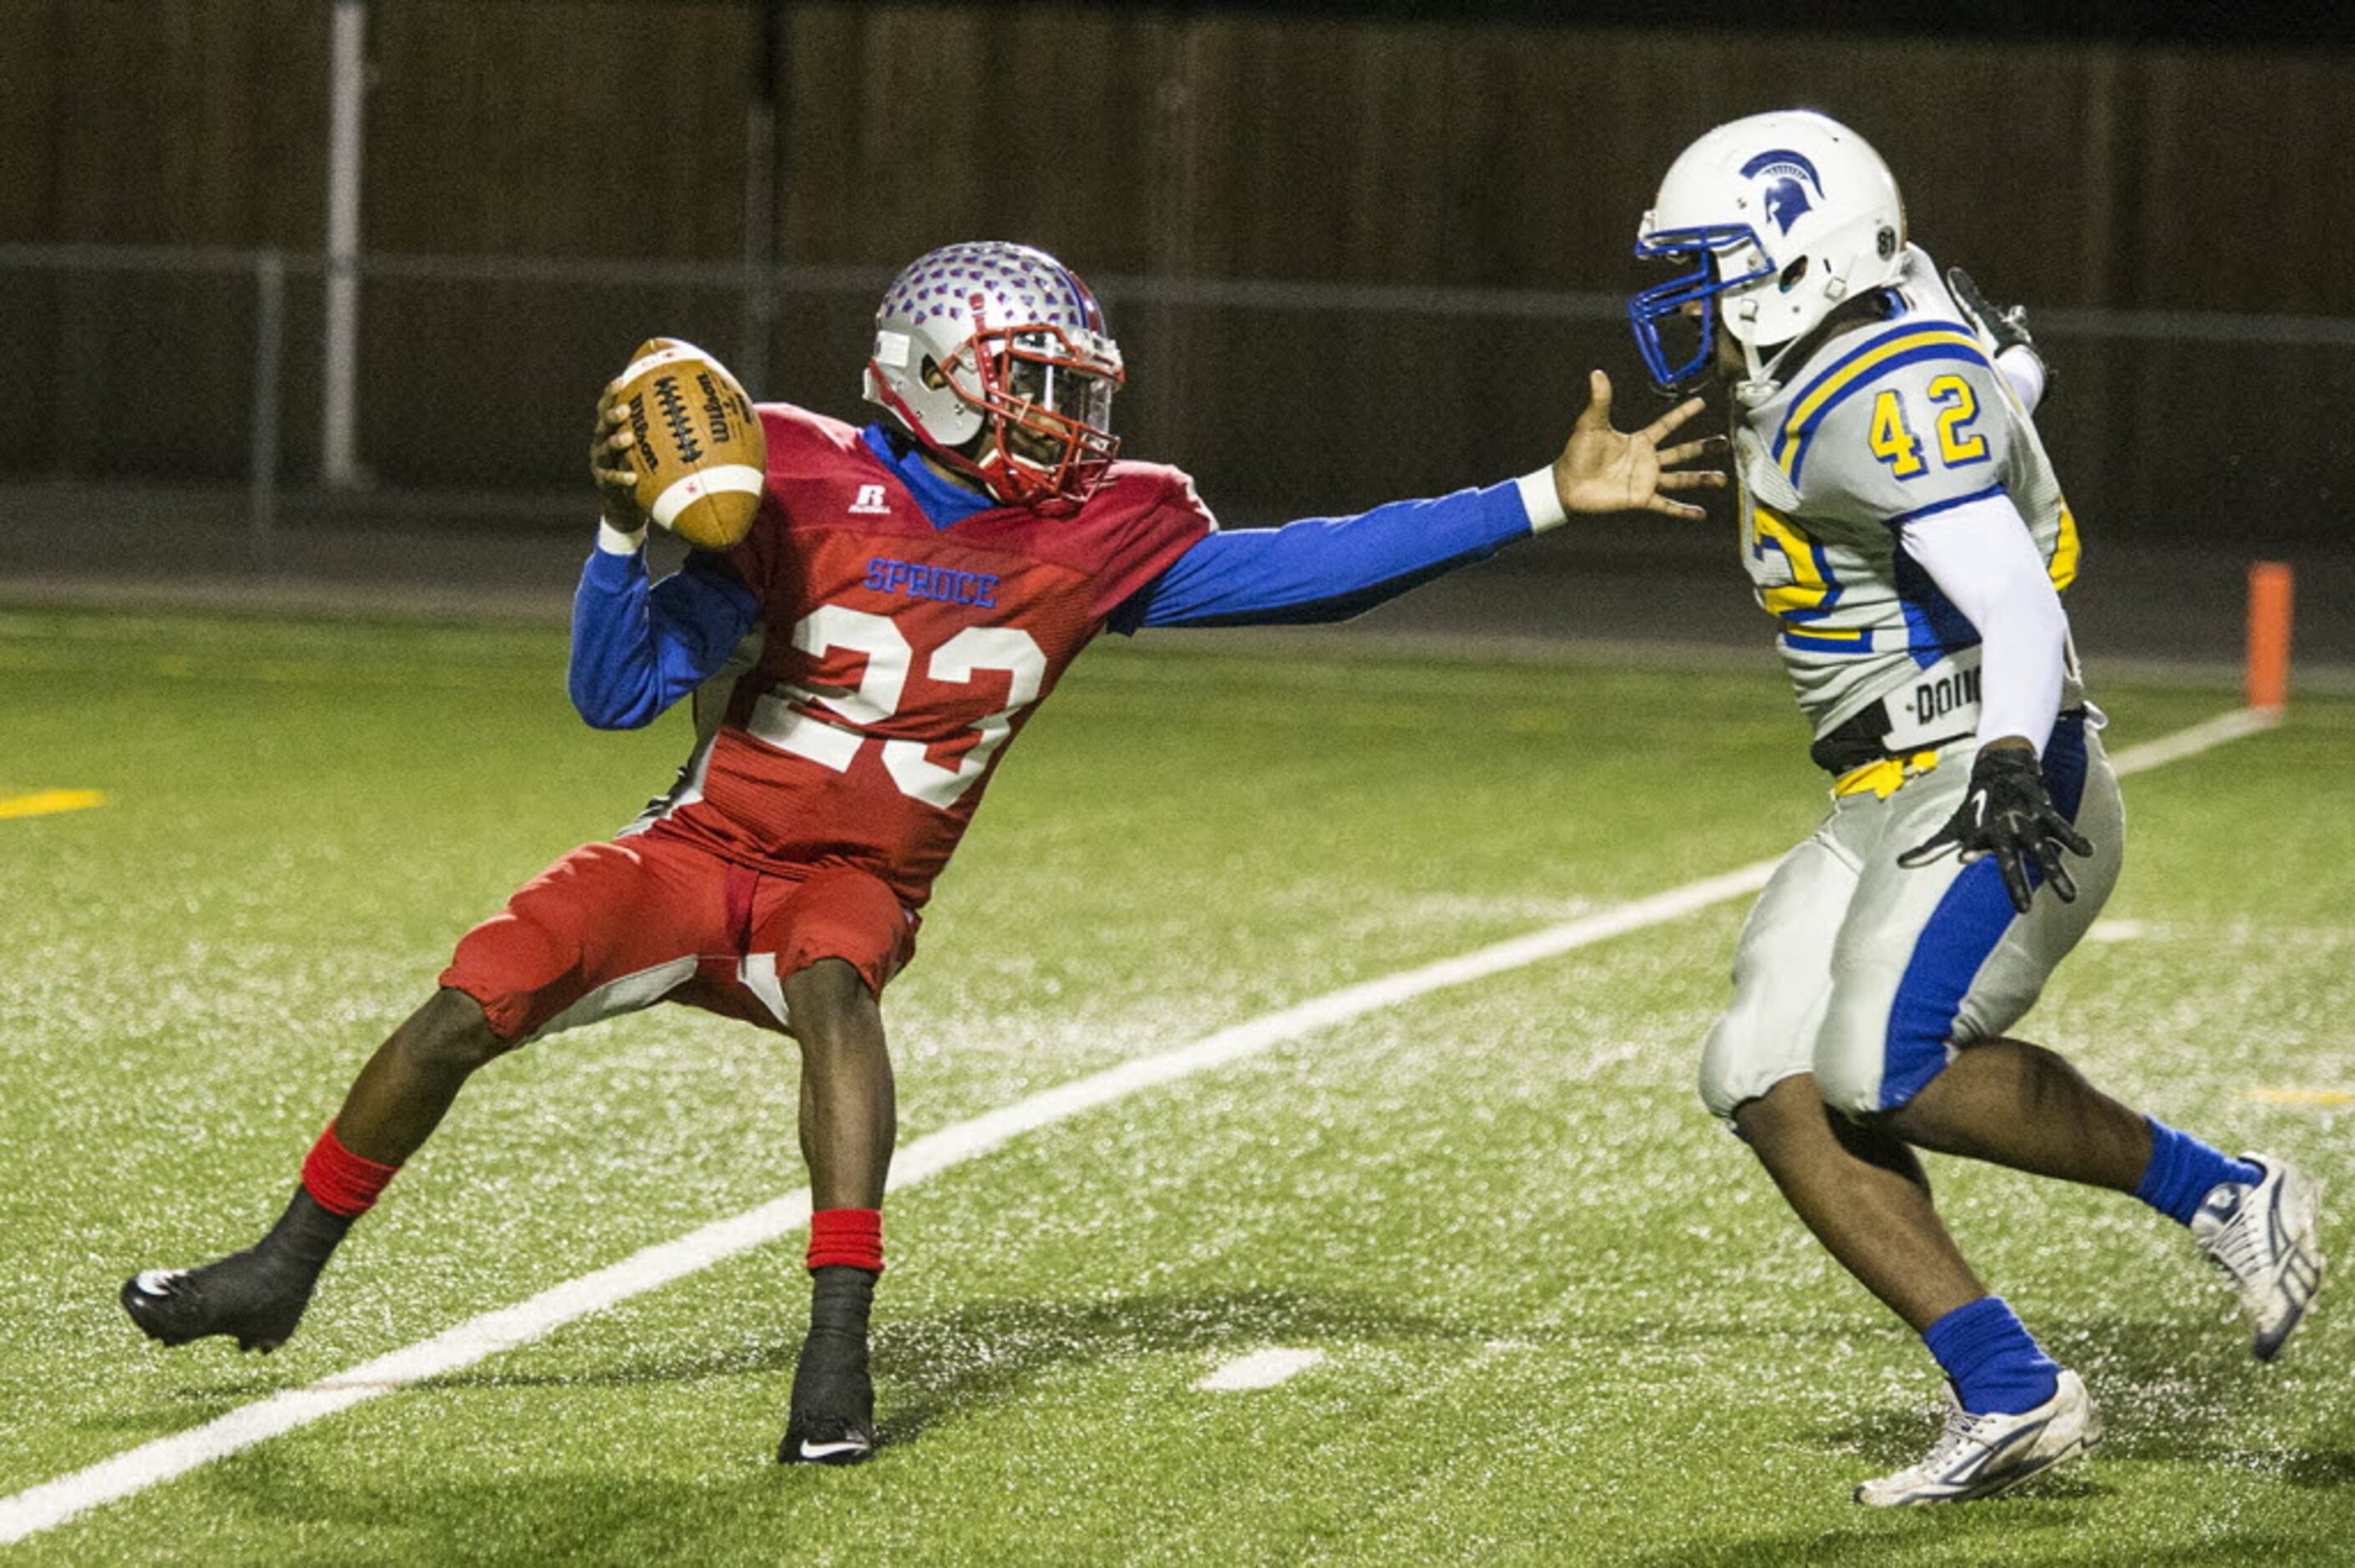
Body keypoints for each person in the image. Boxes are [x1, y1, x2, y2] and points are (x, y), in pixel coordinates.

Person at [123, 240, 1724, 1465]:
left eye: (1075, 387)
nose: (1068, 417)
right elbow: (616, 694)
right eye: (1035, 380)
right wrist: (627, 535)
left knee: (835, 980)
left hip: (856, 881)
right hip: (708, 836)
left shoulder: (1109, 528)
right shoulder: (792, 478)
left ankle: (836, 1350)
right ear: (934, 374)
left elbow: (1305, 573)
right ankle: (283, 1263)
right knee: (479, 988)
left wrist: (1536, 497)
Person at [1627, 110, 2325, 1506]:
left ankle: (2225, 1189)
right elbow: (1988, 380)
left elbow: (2011, 591)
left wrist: (2010, 755)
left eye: (1709, 265)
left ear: (1798, 259)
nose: (1686, 299)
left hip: (1996, 770)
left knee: (1887, 1062)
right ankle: (2007, 1386)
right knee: (1762, 1075)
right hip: (1881, 783)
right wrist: (2014, 375)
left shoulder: (1868, 383)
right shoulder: (1862, 343)